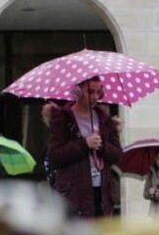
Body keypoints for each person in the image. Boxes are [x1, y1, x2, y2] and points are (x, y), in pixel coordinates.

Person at [47, 76, 122, 217]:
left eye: (99, 92)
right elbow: (55, 156)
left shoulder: (104, 118)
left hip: (102, 194)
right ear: (77, 91)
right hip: (75, 196)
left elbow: (118, 155)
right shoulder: (62, 118)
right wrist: (84, 144)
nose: (95, 97)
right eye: (90, 92)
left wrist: (101, 146)